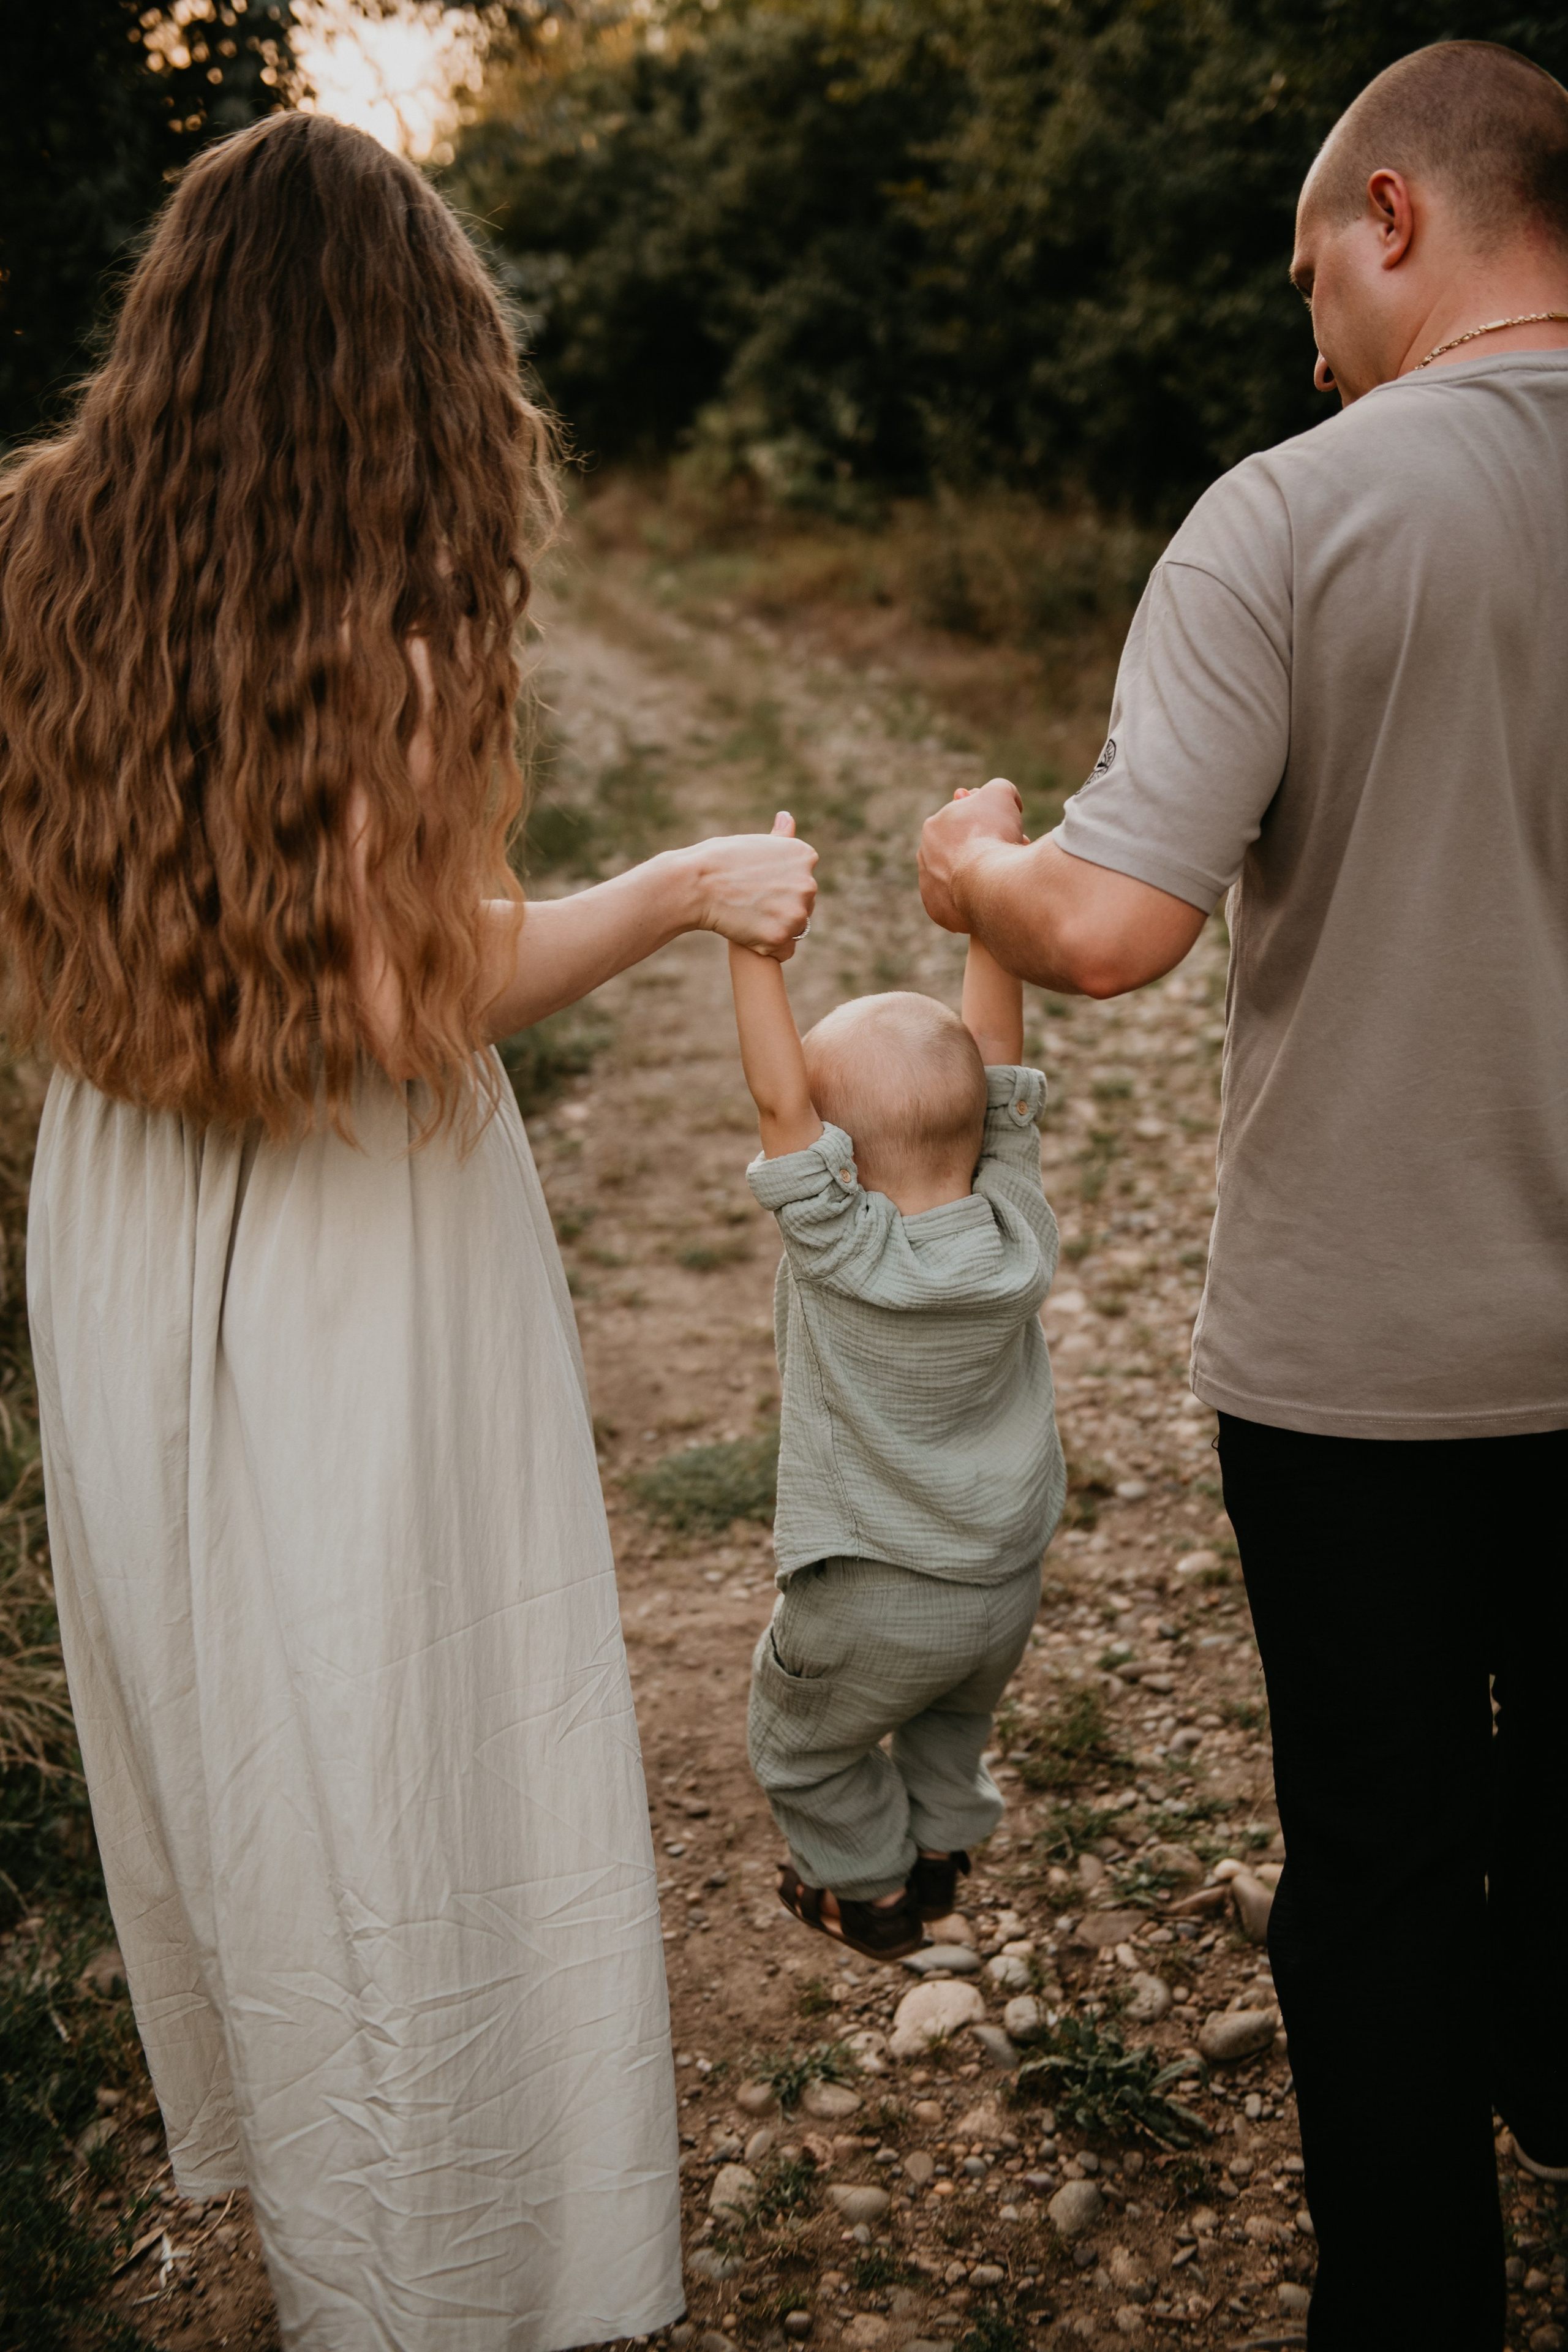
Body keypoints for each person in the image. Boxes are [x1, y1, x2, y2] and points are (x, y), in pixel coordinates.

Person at [0, 115, 816, 2352]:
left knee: (239, 1730)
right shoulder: (392, 627)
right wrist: (683, 889)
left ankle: (330, 2217)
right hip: (355, 1235)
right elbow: (402, 997)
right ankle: (450, 2265)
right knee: (404, 1729)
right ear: (412, 361)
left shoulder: (35, 552)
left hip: (124, 1214)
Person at [916, 39, 1568, 2352]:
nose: (1310, 343)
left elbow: (1108, 932)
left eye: (1312, 279)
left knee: (1381, 1868)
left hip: (1367, 1364)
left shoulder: (1290, 513)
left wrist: (971, 868)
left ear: (1395, 214)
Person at [726, 831, 1065, 1962]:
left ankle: (867, 1891)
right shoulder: (1015, 1221)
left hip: (871, 1593)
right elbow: (997, 1060)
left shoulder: (842, 1249)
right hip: (1005, 1583)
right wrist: (984, 888)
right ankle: (941, 1854)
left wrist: (750, 945)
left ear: (836, 1159)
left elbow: (775, 1093)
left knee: (804, 1747)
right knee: (953, 1719)